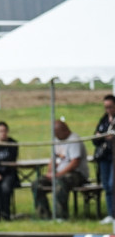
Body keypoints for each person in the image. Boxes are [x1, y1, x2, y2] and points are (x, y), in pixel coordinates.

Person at [33, 118, 89, 220]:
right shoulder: (56, 140)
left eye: (57, 133)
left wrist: (58, 175)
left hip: (76, 174)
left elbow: (75, 162)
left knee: (60, 182)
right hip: (59, 174)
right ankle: (44, 215)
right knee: (37, 184)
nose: (55, 136)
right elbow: (53, 159)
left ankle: (60, 216)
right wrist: (50, 173)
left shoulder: (74, 139)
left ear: (65, 130)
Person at [93, 94, 114, 223]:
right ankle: (111, 214)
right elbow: (95, 138)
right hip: (104, 157)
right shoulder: (104, 120)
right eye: (106, 107)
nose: (108, 110)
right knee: (106, 185)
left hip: (114, 157)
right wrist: (100, 137)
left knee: (113, 185)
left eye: (110, 107)